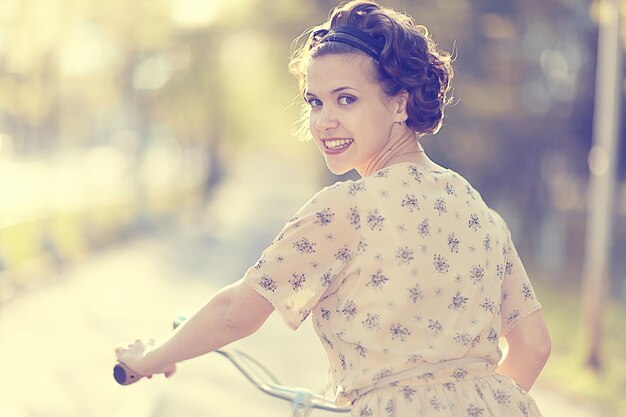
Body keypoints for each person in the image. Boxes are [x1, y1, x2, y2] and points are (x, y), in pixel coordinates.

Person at [115, 1, 551, 416]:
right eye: (314, 102)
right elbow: (533, 346)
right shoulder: (475, 208)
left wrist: (152, 357)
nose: (324, 120)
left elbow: (235, 314)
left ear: (399, 103)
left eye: (346, 99)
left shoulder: (346, 210)